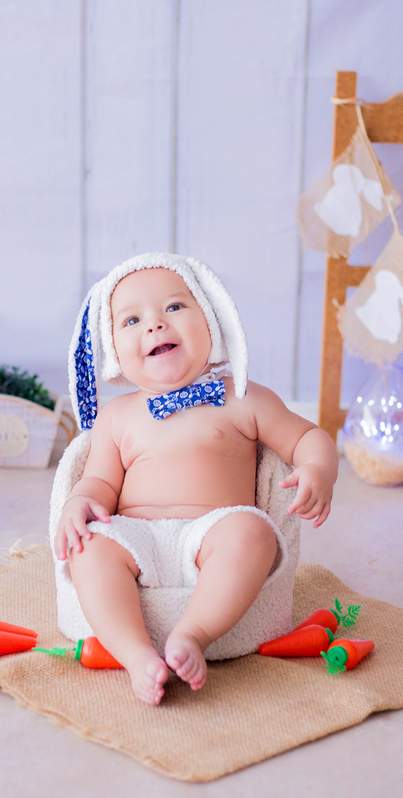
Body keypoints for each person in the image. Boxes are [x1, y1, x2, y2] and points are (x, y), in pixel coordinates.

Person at [54, 254, 337, 705]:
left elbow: (308, 437)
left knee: (253, 533)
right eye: (132, 320)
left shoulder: (242, 398)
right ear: (113, 349)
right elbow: (100, 485)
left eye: (174, 308)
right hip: (136, 538)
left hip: (213, 533)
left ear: (212, 319)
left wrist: (317, 469)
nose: (155, 326)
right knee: (88, 548)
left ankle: (192, 635)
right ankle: (136, 655)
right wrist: (80, 503)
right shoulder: (117, 417)